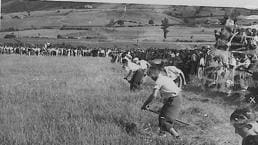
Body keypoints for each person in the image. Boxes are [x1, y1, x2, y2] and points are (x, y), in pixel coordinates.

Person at [141, 63, 182, 139]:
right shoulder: (164, 78)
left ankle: (178, 138)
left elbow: (153, 95)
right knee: (161, 117)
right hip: (173, 99)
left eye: (151, 76)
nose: (151, 78)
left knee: (165, 122)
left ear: (153, 74)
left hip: (174, 100)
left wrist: (144, 105)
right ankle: (161, 136)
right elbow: (166, 95)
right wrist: (163, 109)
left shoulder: (159, 80)